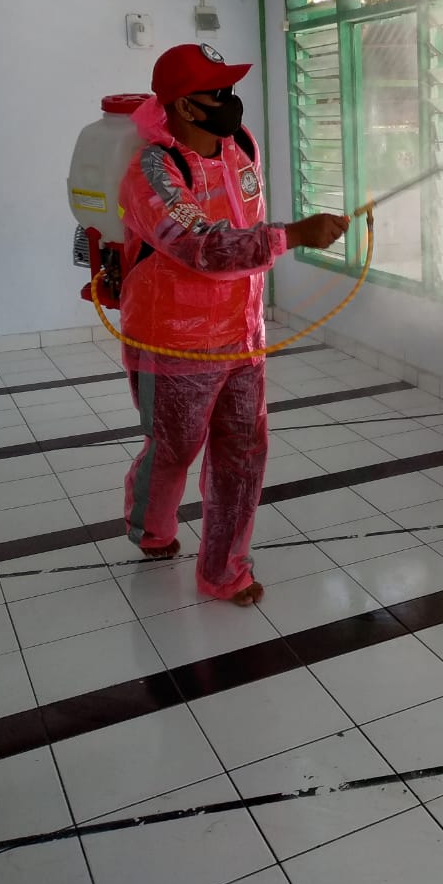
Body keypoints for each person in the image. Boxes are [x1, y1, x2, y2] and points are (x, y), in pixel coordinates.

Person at [118, 42, 349, 605]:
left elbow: (242, 225)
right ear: (184, 107)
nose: (231, 102)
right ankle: (151, 524)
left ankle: (224, 569)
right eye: (217, 94)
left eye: (231, 90)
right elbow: (201, 247)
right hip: (172, 345)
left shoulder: (241, 145)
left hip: (243, 336)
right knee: (173, 449)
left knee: (244, 454)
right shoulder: (151, 171)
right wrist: (292, 235)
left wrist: (281, 241)